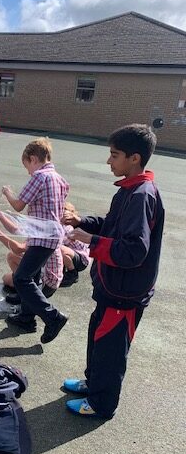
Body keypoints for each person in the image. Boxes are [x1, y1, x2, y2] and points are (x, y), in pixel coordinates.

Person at [61, 124, 164, 418]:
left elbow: (133, 250)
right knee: (98, 339)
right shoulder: (129, 189)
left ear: (134, 158)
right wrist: (81, 222)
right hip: (111, 289)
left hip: (125, 292)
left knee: (110, 350)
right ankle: (93, 383)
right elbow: (111, 224)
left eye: (114, 155)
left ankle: (102, 404)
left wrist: (91, 240)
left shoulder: (143, 195)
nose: (109, 161)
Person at [1, 137, 69, 344]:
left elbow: (19, 205)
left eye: (27, 167)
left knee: (21, 277)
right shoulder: (59, 178)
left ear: (33, 159)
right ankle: (26, 317)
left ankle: (52, 317)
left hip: (42, 236)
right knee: (33, 276)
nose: (28, 172)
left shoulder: (40, 176)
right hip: (50, 234)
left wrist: (7, 193)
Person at [60, 201, 90, 287]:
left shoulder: (68, 227)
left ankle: (72, 273)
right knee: (58, 249)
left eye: (65, 209)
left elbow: (61, 241)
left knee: (58, 248)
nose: (62, 211)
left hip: (81, 259)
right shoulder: (64, 226)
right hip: (74, 254)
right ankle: (60, 272)